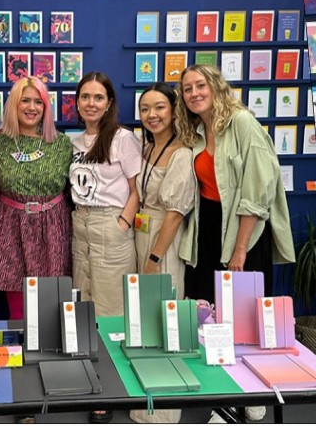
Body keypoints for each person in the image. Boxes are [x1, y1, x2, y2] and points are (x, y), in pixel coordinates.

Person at [176, 64, 295, 424]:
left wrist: (240, 248)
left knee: (244, 318)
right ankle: (220, 400)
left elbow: (257, 192)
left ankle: (254, 396)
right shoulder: (197, 131)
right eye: (186, 88)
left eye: (200, 85)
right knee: (211, 314)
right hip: (208, 229)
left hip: (243, 232)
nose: (193, 93)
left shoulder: (242, 123)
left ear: (216, 87)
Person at [129, 83, 191, 424]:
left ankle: (164, 410)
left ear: (173, 110)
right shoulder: (147, 147)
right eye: (145, 109)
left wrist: (155, 258)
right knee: (145, 318)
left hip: (163, 241)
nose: (152, 115)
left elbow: (176, 213)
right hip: (142, 233)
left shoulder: (182, 153)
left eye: (159, 108)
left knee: (164, 318)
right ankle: (143, 398)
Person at [0, 77, 73, 320]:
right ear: (14, 104)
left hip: (52, 225)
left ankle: (50, 352)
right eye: (25, 100)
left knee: (51, 299)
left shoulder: (61, 143)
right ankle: (22, 352)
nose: (32, 107)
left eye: (38, 102)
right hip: (10, 227)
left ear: (46, 108)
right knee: (17, 301)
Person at [69, 72, 142, 316]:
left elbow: (136, 191)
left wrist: (121, 224)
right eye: (85, 97)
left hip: (110, 225)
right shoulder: (75, 142)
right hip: (80, 227)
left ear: (109, 103)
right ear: (77, 102)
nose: (91, 103)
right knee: (84, 302)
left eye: (99, 98)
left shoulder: (123, 138)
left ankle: (110, 355)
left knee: (112, 307)